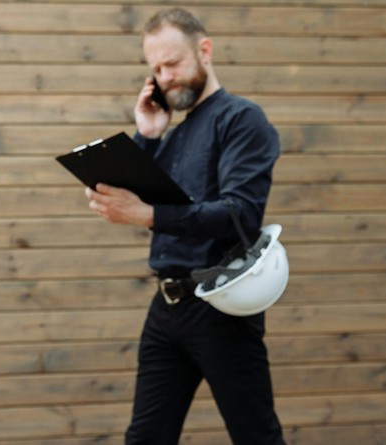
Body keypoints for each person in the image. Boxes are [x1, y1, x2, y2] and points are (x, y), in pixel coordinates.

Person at [84, 8, 287, 445]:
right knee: (145, 438)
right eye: (156, 69)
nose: (165, 78)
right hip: (167, 306)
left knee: (256, 437)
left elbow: (239, 213)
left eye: (172, 64)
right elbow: (138, 194)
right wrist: (147, 135)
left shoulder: (241, 119)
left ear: (204, 50)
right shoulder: (173, 134)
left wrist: (148, 215)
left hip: (223, 307)